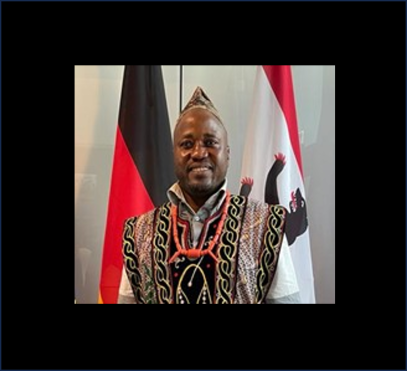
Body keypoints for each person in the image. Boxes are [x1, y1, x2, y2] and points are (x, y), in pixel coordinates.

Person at [118, 87, 300, 304]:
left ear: (228, 154)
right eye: (186, 144)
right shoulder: (140, 233)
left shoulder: (266, 225)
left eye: (210, 142)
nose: (198, 153)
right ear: (173, 154)